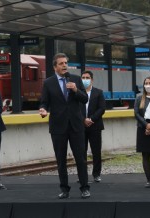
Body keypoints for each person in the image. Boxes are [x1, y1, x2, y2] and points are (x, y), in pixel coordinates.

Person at [39, 53, 90, 199]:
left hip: (76, 125)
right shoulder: (48, 83)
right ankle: (64, 189)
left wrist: (75, 90)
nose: (65, 66)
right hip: (58, 127)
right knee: (60, 160)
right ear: (55, 67)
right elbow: (44, 102)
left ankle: (85, 188)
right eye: (61, 63)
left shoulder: (75, 79)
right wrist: (43, 109)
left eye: (66, 63)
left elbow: (85, 99)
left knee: (80, 158)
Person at [80, 70, 106, 182]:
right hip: (81, 126)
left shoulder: (98, 92)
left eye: (87, 77)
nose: (85, 80)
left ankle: (96, 174)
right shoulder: (78, 92)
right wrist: (83, 119)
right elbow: (74, 109)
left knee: (96, 151)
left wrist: (91, 119)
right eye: (83, 77)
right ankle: (83, 175)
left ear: (92, 80)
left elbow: (102, 108)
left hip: (95, 126)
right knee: (81, 152)